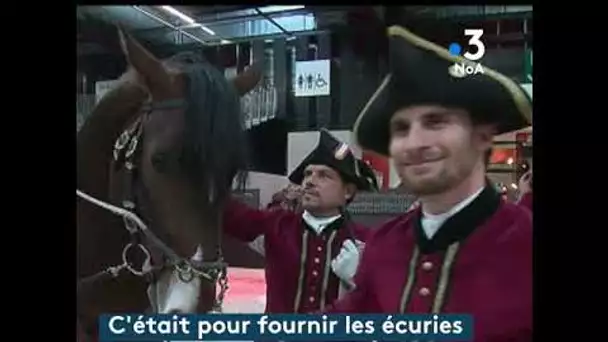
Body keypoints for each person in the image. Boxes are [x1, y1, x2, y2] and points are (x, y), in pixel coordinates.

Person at [324, 25, 533, 341]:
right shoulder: (385, 244)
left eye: (435, 122)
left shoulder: (525, 243)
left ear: (483, 136)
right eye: (401, 129)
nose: (414, 143)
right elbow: (347, 319)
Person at [223, 128, 379, 312]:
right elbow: (233, 218)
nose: (310, 181)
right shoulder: (279, 223)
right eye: (307, 174)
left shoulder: (366, 241)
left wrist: (359, 280)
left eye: (323, 175)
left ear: (348, 191)